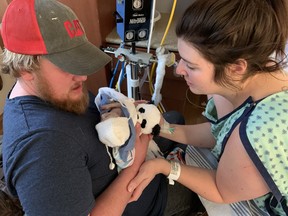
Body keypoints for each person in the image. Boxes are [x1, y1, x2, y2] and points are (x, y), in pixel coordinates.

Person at [0, 0, 196, 215]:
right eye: (67, 64)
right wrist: (135, 164)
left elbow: (93, 115)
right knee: (199, 186)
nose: (83, 76)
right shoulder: (42, 146)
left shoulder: (54, 91)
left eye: (79, 59)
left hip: (125, 150)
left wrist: (123, 109)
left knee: (175, 119)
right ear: (24, 67)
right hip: (144, 197)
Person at [127, 0, 288, 215]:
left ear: (236, 68)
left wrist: (164, 167)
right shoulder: (253, 76)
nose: (179, 70)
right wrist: (160, 127)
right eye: (181, 59)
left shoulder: (260, 131)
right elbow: (219, 133)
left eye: (191, 66)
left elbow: (222, 192)